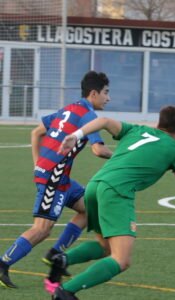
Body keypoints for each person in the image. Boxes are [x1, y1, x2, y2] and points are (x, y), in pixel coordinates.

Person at [48, 105, 175, 300]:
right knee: (121, 260)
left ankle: (63, 259)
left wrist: (76, 135)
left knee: (105, 247)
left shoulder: (138, 130)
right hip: (116, 192)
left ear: (158, 123)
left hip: (95, 186)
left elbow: (104, 121)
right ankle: (65, 292)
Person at [0, 71, 112, 289]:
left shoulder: (69, 109)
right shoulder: (88, 116)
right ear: (93, 93)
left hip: (59, 177)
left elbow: (36, 133)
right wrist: (122, 156)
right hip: (53, 178)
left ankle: (55, 253)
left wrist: (37, 164)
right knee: (42, 229)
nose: (108, 98)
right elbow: (98, 150)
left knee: (90, 208)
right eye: (106, 93)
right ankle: (3, 263)